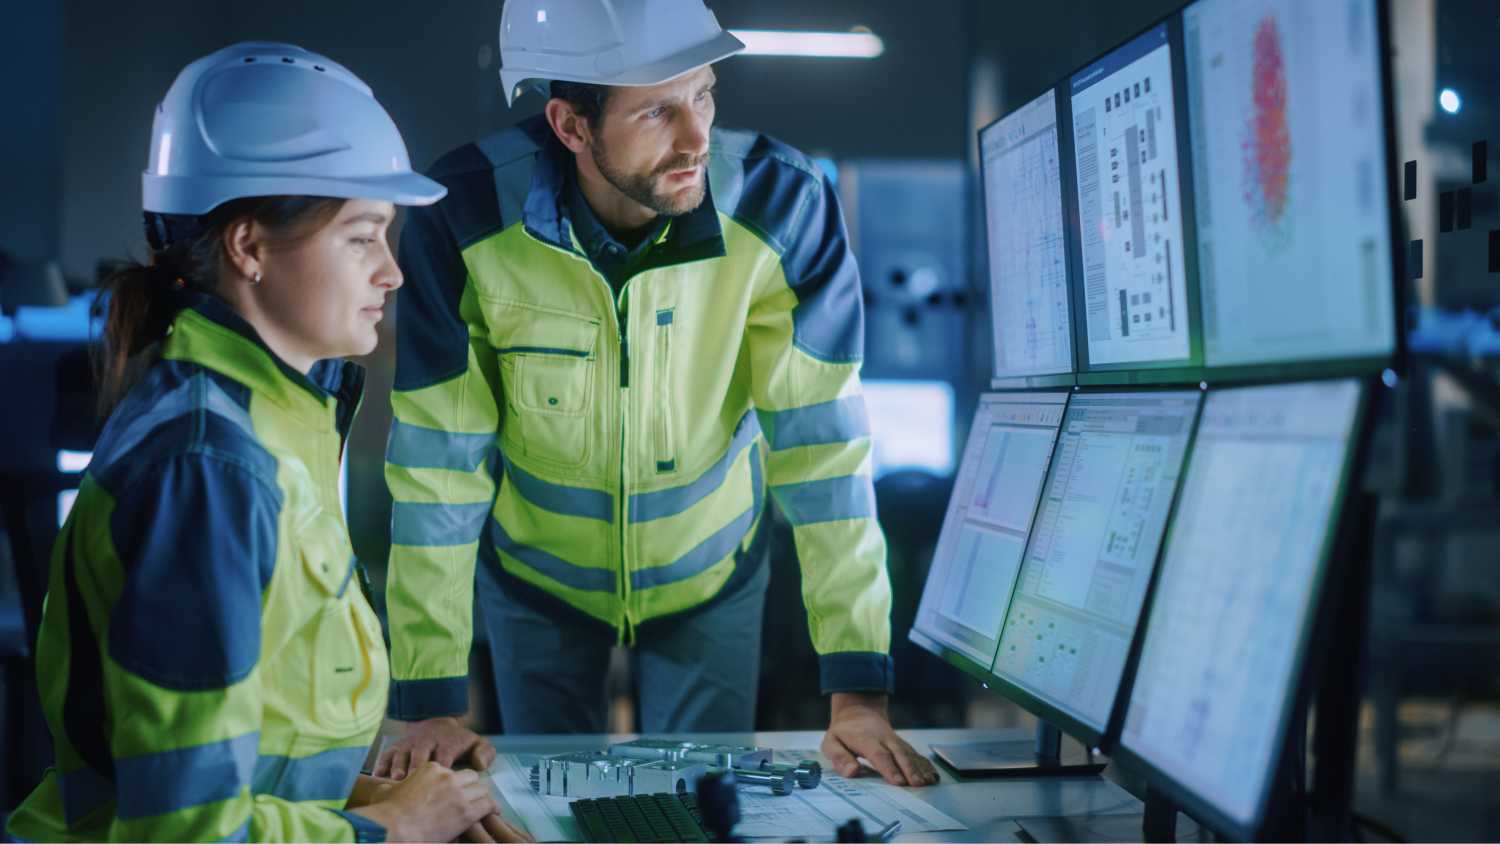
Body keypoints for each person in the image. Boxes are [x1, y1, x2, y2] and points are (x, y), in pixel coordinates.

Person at [376, 0, 938, 788]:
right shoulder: (464, 215)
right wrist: (430, 694)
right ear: (571, 126)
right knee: (543, 807)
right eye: (658, 111)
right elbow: (438, 465)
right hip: (535, 580)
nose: (697, 136)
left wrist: (858, 692)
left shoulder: (784, 206)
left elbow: (824, 456)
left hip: (711, 576)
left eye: (704, 94)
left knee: (703, 809)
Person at [5, 42, 527, 843]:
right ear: (249, 248)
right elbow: (183, 832)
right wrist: (390, 833)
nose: (392, 272)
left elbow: (251, 742)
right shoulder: (206, 467)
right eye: (362, 236)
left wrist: (375, 790)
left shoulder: (283, 415)